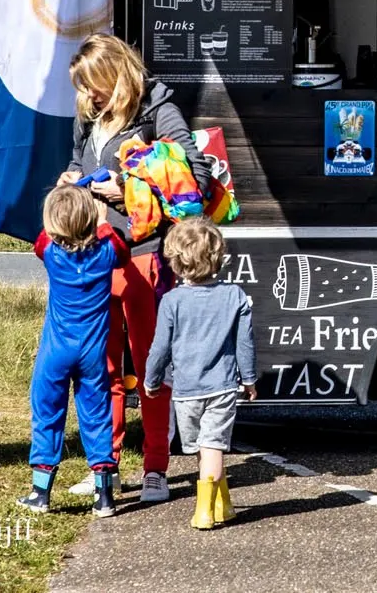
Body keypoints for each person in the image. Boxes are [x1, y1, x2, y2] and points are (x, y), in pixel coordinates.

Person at [59, 33, 192, 504]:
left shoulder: (158, 110)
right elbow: (78, 159)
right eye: (83, 87)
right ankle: (105, 466)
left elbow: (191, 182)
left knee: (151, 366)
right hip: (94, 255)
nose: (89, 96)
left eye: (95, 85)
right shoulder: (88, 117)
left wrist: (132, 193)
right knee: (101, 367)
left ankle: (156, 467)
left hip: (143, 253)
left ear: (117, 73)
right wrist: (71, 178)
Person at [19, 185, 128, 517]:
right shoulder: (108, 252)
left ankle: (41, 492)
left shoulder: (50, 252)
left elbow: (42, 237)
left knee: (47, 413)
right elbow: (122, 250)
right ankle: (104, 496)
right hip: (93, 354)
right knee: (97, 417)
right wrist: (103, 220)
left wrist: (62, 189)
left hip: (56, 352)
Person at [144, 217, 257, 531]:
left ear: (176, 261)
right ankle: (210, 507)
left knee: (203, 448)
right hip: (221, 385)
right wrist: (249, 378)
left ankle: (217, 505)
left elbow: (159, 348)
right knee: (213, 445)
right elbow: (245, 342)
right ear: (217, 257)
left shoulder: (172, 301)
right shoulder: (234, 296)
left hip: (185, 389)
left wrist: (151, 380)